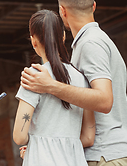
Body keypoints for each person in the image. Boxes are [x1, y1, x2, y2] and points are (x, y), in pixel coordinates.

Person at [20, 0, 127, 166]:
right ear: (93, 6)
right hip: (104, 152)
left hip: (106, 155)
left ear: (62, 11)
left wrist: (50, 85)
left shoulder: (90, 44)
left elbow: (104, 100)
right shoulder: (94, 40)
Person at [13, 9, 96, 165]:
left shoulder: (34, 76)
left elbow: (19, 136)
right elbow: (88, 138)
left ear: (33, 41)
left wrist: (35, 147)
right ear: (63, 37)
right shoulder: (81, 78)